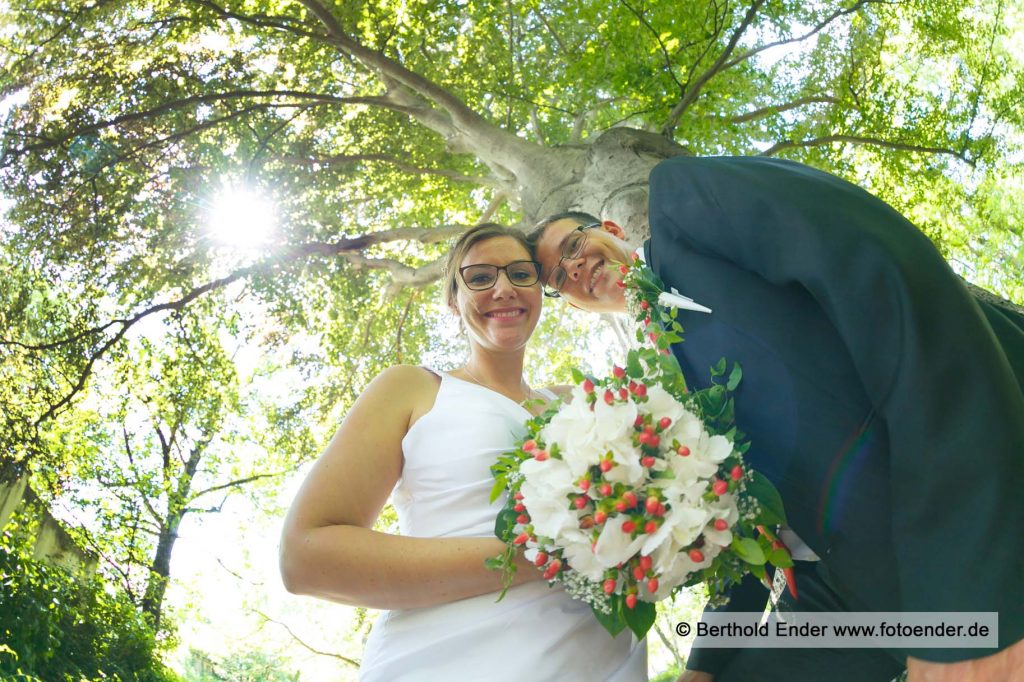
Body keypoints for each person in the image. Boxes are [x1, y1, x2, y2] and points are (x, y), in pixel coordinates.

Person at [528, 155, 1024, 682]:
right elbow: (732, 517)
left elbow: (875, 268)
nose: (574, 268)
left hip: (952, 516)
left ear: (610, 228)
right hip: (841, 591)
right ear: (575, 305)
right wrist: (706, 664)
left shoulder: (682, 204)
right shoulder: (651, 397)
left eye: (573, 246)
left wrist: (972, 589)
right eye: (559, 277)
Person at [279, 223, 647, 681]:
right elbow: (306, 557)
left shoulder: (583, 404)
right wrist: (544, 553)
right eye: (479, 278)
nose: (504, 288)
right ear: (454, 301)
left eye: (521, 273)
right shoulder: (413, 389)